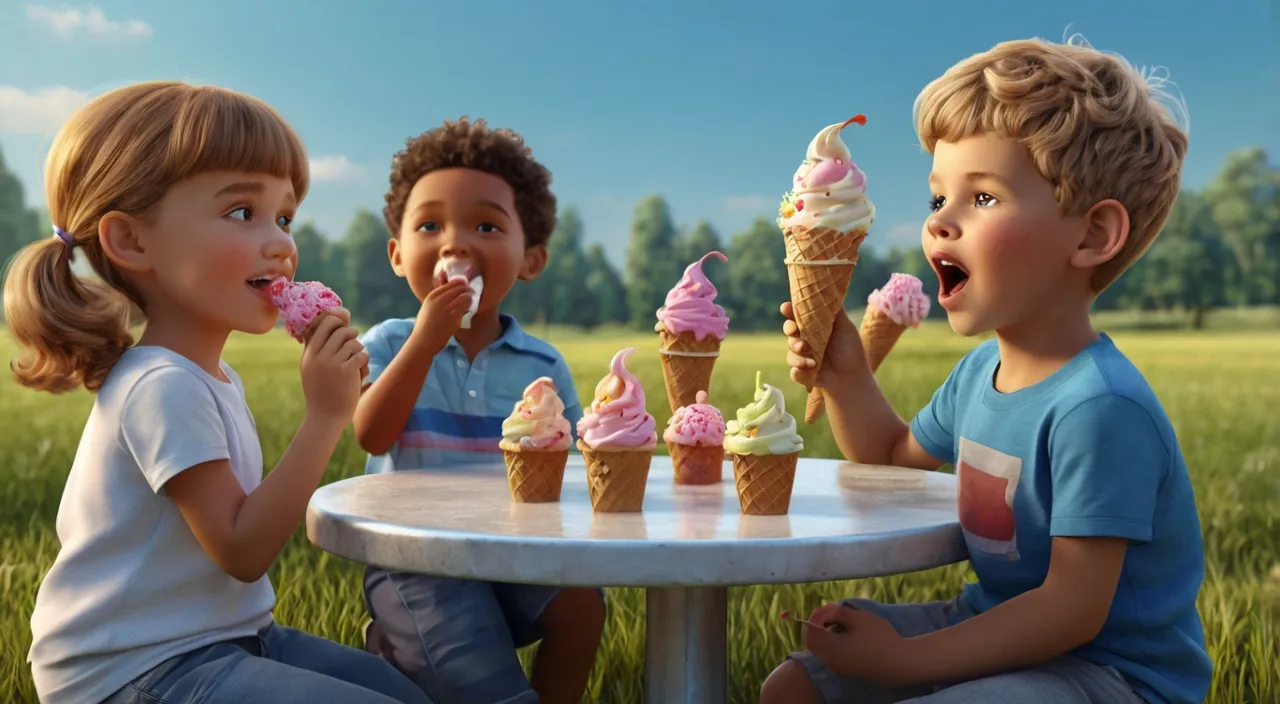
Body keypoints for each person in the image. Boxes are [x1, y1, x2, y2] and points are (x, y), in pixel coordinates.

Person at [762, 36, 1210, 704]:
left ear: (1091, 237)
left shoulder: (1100, 408)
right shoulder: (980, 373)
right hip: (995, 625)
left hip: (1111, 673)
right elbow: (891, 459)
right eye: (938, 197)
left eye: (984, 199)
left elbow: (1069, 610)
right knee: (793, 686)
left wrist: (902, 662)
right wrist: (847, 374)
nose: (940, 222)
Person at [6, 81, 431, 704]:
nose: (282, 242)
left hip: (224, 635)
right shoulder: (160, 386)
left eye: (285, 218)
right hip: (132, 668)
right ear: (132, 241)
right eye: (242, 213)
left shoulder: (208, 376)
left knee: (406, 696)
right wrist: (326, 417)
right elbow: (241, 548)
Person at [354, 116, 605, 704]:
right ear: (397, 254)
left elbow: (571, 465)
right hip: (414, 558)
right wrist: (425, 339)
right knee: (480, 678)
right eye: (431, 224)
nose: (455, 243)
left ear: (530, 259)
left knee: (581, 606)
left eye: (486, 224)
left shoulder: (542, 361)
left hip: (512, 554)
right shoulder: (388, 343)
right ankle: (406, 642)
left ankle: (406, 655)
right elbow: (371, 433)